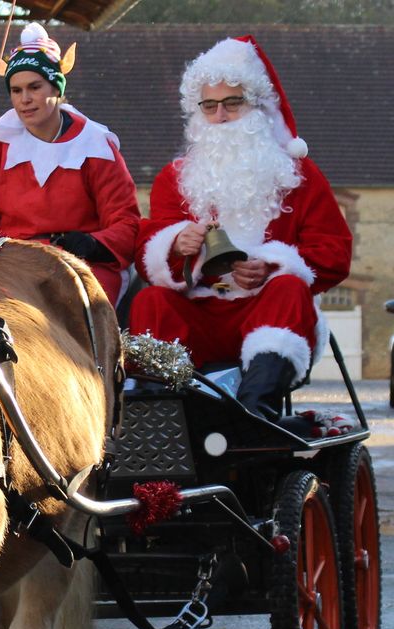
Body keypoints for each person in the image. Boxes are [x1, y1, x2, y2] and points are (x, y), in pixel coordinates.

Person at [129, 36, 352, 420]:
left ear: (258, 106)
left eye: (233, 103)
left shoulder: (298, 175)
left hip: (268, 312)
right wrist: (176, 245)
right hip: (200, 313)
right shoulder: (175, 178)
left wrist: (272, 265)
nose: (220, 116)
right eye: (210, 105)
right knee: (150, 302)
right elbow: (148, 251)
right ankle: (162, 416)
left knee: (289, 287)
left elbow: (335, 252)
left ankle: (255, 414)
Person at [0, 23, 140, 306]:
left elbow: (126, 224)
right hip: (12, 269)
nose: (25, 99)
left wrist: (93, 244)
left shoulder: (95, 146)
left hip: (83, 267)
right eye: (16, 90)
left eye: (34, 87)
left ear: (56, 87)